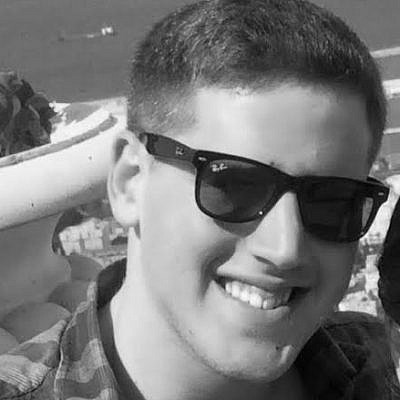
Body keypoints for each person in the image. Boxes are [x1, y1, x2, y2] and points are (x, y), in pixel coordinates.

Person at [1, 0, 399, 398]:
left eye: (332, 202)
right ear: (130, 181)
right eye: (234, 187)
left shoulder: (376, 369)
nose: (285, 248)